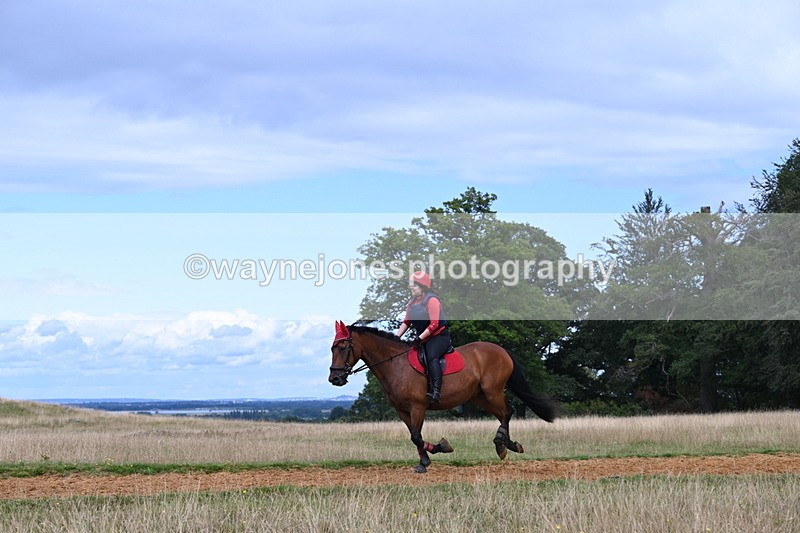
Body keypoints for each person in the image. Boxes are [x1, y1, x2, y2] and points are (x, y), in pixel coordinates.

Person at [394, 271, 450, 402]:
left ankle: (436, 391)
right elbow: (406, 322)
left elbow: (434, 324)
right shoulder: (412, 303)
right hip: (423, 338)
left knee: (431, 357)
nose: (411, 287)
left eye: (414, 285)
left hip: (438, 337)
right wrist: (395, 338)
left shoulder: (432, 301)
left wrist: (419, 338)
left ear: (422, 286)